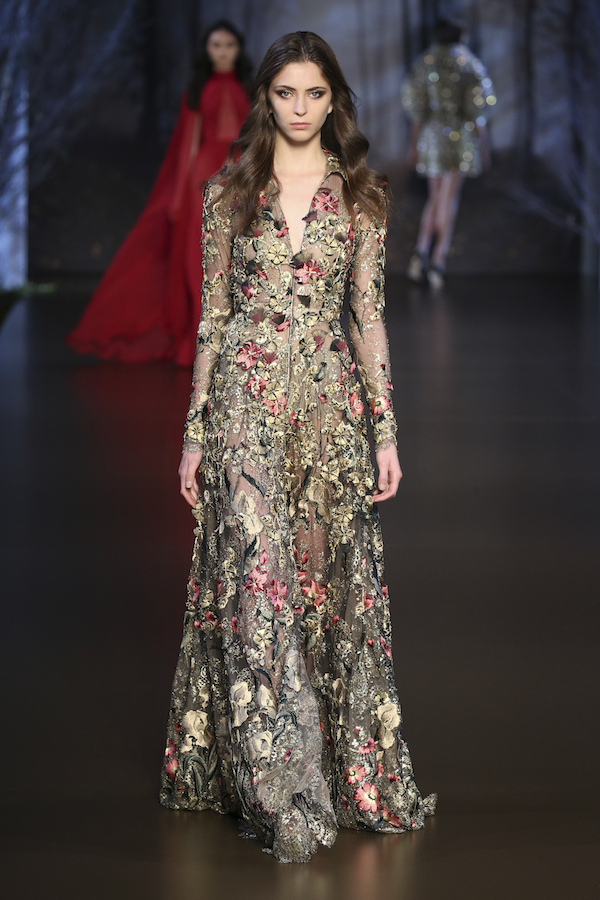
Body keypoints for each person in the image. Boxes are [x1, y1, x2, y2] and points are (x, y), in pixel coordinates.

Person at [159, 31, 436, 863]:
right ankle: (279, 789)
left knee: (320, 588)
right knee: (254, 586)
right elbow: (212, 319)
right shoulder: (227, 194)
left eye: (316, 94)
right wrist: (193, 437)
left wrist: (386, 432)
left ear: (334, 99)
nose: (303, 108)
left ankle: (327, 766)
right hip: (243, 409)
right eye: (287, 93)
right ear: (266, 98)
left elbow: (368, 317)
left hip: (326, 411)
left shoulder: (362, 198)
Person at [66, 21, 252, 365]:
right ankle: (205, 342)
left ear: (238, 49)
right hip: (205, 179)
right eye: (216, 44)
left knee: (243, 257)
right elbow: (187, 147)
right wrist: (180, 198)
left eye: (228, 44)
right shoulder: (197, 90)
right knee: (204, 259)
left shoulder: (251, 89)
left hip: (243, 174)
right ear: (207, 50)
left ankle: (240, 341)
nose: (223, 51)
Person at [402, 18, 495, 288]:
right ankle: (438, 261)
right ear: (460, 37)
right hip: (461, 136)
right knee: (448, 198)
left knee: (436, 196)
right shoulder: (470, 63)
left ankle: (420, 251)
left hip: (431, 136)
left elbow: (416, 109)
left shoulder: (425, 62)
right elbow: (478, 110)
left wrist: (413, 143)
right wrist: (485, 146)